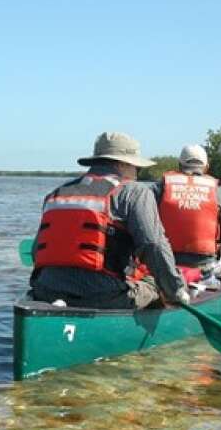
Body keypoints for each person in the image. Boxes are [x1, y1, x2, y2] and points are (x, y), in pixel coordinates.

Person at [30, 132, 189, 309]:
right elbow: (153, 245)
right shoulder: (134, 192)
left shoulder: (56, 193)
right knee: (153, 282)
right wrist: (176, 290)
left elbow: (36, 251)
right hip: (102, 296)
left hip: (44, 291)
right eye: (136, 167)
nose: (136, 173)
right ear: (122, 164)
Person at [152, 144, 221, 273]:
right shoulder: (217, 192)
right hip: (205, 266)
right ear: (206, 167)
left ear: (179, 165)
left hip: (165, 264)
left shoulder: (160, 187)